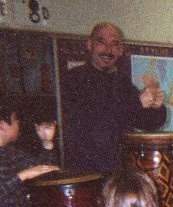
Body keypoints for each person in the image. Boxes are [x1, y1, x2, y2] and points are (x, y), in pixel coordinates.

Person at [61, 22, 166, 173]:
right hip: (87, 171)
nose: (108, 50)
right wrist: (136, 102)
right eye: (102, 42)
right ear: (90, 45)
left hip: (120, 169)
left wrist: (156, 108)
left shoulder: (121, 82)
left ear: (120, 50)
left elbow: (146, 122)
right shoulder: (74, 79)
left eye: (114, 44)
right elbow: (94, 122)